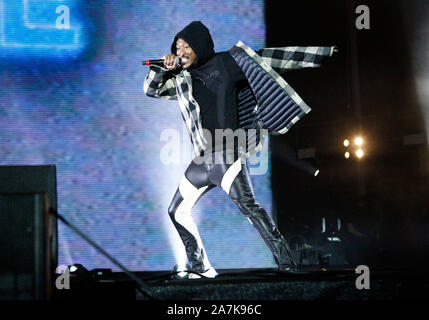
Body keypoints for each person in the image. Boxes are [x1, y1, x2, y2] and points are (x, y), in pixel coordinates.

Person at [144, 21, 337, 278]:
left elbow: (274, 58)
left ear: (199, 45)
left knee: (250, 208)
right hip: (202, 160)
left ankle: (288, 264)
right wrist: (161, 69)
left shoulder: (227, 63)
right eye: (176, 47)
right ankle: (201, 268)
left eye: (185, 45)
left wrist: (321, 54)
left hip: (227, 154)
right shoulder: (181, 78)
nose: (180, 51)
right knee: (176, 211)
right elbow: (151, 89)